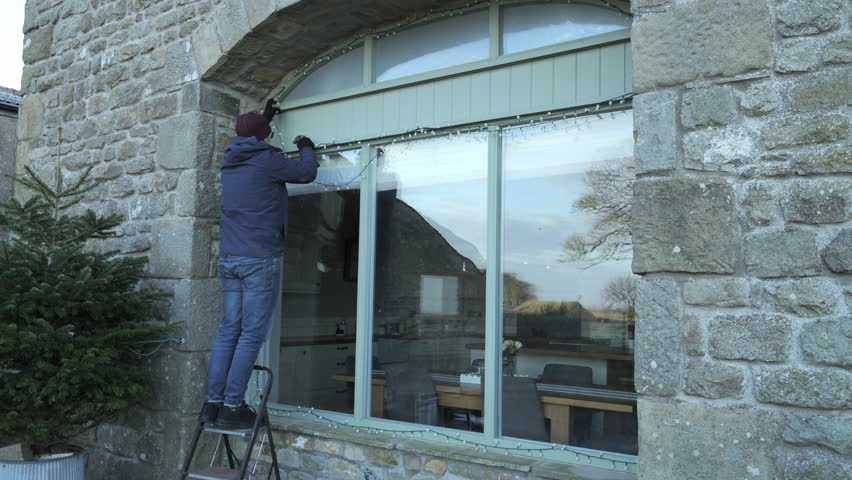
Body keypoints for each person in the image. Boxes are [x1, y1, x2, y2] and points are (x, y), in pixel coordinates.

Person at [199, 100, 317, 429]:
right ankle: (233, 407)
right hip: (258, 259)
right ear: (264, 139)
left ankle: (212, 405)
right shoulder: (268, 160)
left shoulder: (231, 158)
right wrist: (307, 147)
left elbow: (250, 139)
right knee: (251, 335)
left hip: (231, 257)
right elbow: (306, 172)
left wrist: (264, 119)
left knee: (228, 332)